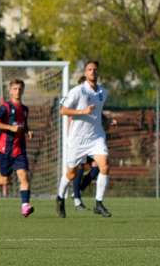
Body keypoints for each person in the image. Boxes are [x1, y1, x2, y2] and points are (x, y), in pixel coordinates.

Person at [56, 61, 112, 218]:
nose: (93, 71)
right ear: (85, 73)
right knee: (71, 174)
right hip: (78, 139)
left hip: (96, 137)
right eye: (89, 69)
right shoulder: (78, 91)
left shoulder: (103, 92)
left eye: (95, 69)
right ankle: (60, 197)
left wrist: (107, 120)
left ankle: (99, 203)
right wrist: (83, 111)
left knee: (105, 166)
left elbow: (97, 113)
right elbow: (62, 110)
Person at [0, 79, 34, 217]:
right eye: (15, 89)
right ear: (10, 91)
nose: (17, 91)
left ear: (23, 90)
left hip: (20, 150)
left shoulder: (25, 109)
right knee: (5, 180)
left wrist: (27, 131)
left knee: (24, 177)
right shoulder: (5, 107)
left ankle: (25, 206)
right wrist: (10, 127)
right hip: (5, 149)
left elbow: (23, 125)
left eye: (20, 89)